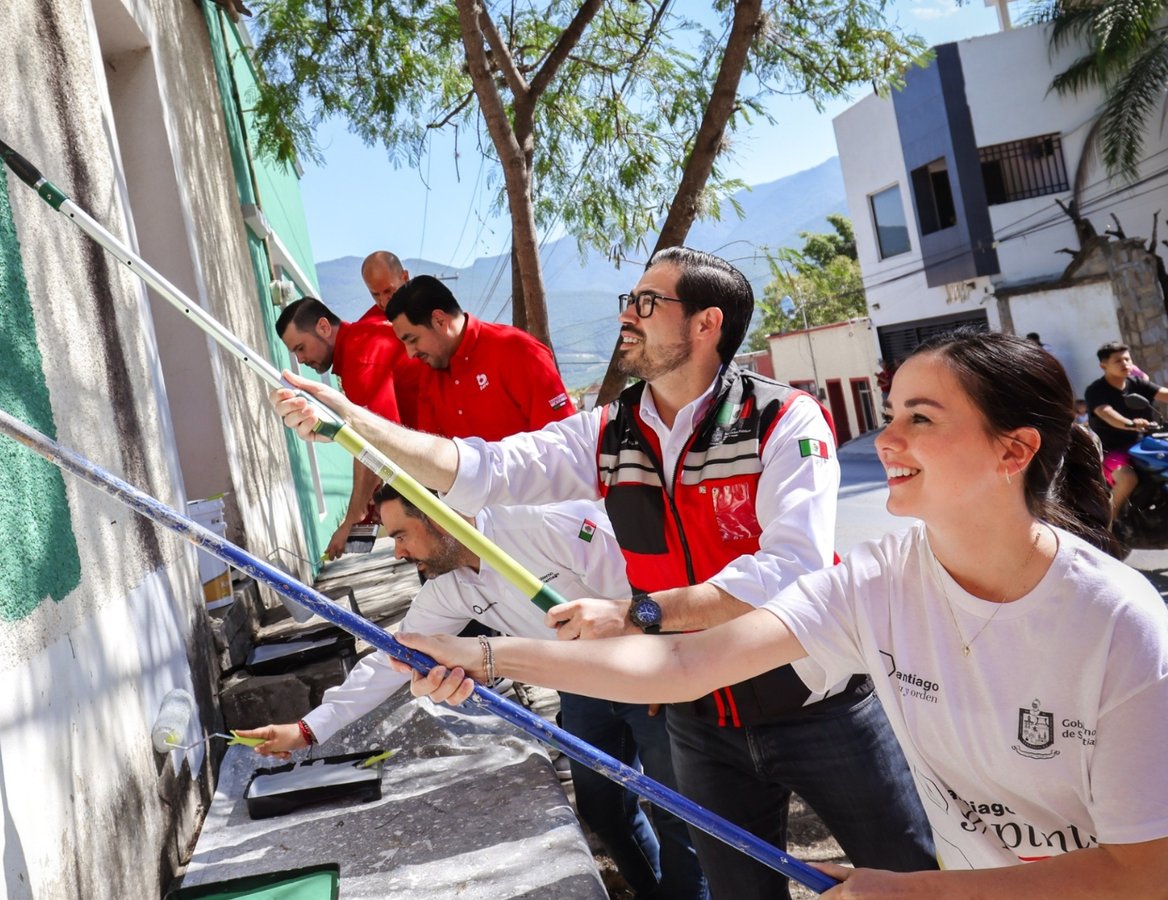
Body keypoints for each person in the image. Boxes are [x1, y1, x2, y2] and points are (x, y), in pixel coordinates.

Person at [397, 329, 1168, 896]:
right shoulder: (877, 581)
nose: (885, 438)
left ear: (1014, 451)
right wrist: (487, 658)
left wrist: (917, 891)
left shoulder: (1117, 625)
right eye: (890, 411)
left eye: (920, 419)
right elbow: (683, 661)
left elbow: (1144, 873)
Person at [269, 247, 936, 898]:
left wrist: (635, 616)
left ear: (708, 325)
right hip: (698, 718)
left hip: (818, 705)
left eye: (648, 302)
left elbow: (792, 570)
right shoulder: (607, 433)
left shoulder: (781, 420)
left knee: (912, 878)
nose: (629, 314)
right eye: (629, 300)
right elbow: (481, 468)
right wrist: (352, 423)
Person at [236, 488, 707, 899]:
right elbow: (393, 657)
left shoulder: (541, 523)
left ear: (437, 519)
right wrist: (307, 729)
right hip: (583, 687)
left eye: (401, 535)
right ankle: (653, 890)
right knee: (604, 809)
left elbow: (644, 588)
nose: (397, 552)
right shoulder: (453, 586)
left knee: (681, 815)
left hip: (649, 671)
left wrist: (659, 663)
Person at [276, 296, 405, 559]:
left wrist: (351, 520)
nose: (300, 360)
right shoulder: (363, 337)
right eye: (295, 353)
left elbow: (372, 444)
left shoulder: (360, 359)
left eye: (301, 347)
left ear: (324, 327)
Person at [383, 274, 576, 441]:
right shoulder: (429, 375)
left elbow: (565, 439)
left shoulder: (516, 351)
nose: (410, 354)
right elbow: (433, 456)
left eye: (412, 339)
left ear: (440, 320)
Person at [1082, 341, 1168, 523]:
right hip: (1112, 451)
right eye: (1118, 361)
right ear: (1103, 365)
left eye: (1127, 359)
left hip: (1144, 445)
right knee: (1127, 478)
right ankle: (1107, 526)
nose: (1125, 364)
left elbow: (1164, 394)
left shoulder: (1137, 384)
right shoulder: (1096, 390)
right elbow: (1106, 413)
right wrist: (1130, 423)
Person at [360, 250, 425, 428]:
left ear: (404, 277)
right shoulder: (368, 331)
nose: (384, 301)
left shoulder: (433, 308)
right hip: (415, 435)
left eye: (389, 291)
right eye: (375, 294)